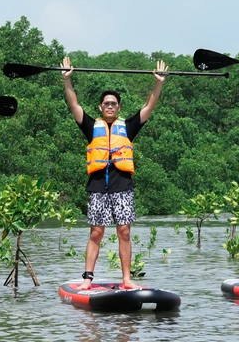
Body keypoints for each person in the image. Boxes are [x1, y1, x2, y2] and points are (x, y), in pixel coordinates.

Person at [63, 56, 168, 290]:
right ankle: (87, 279)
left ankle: (127, 279)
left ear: (119, 108)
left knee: (124, 231)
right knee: (96, 233)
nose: (110, 106)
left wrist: (158, 83)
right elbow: (73, 105)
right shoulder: (92, 126)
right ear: (101, 107)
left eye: (114, 104)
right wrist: (67, 80)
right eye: (106, 103)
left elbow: (149, 106)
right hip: (98, 185)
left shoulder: (128, 127)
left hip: (122, 185)